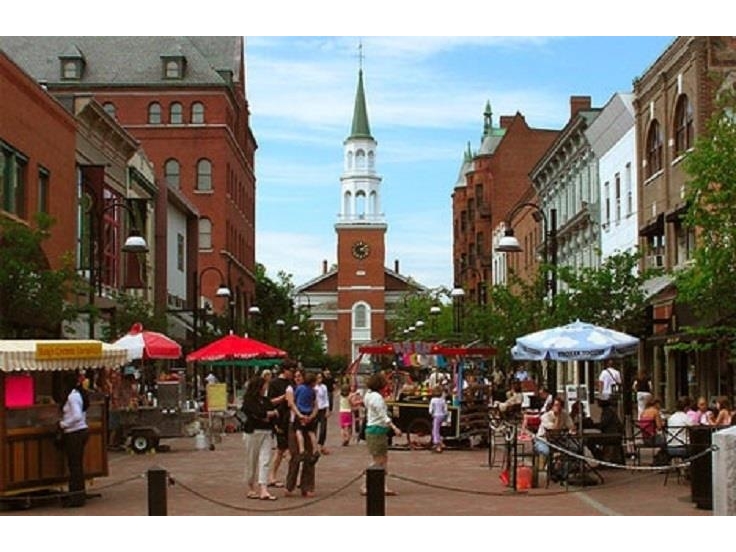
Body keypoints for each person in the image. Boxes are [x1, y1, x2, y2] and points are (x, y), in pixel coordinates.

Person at [359, 372, 403, 496]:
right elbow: (383, 416)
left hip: (375, 430)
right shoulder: (377, 398)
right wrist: (394, 428)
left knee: (382, 460)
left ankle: (382, 485)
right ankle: (365, 483)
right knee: (378, 460)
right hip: (377, 430)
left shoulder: (369, 395)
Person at [242, 375, 279, 500]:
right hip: (252, 432)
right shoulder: (249, 400)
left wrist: (268, 415)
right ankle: (250, 486)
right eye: (264, 385)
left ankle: (263, 488)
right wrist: (268, 414)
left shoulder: (266, 400)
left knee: (265, 460)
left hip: (267, 432)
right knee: (251, 460)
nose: (265, 387)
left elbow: (271, 413)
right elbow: (256, 413)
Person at [58, 371, 90, 507]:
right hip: (80, 431)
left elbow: (76, 416)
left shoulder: (72, 397)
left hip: (74, 433)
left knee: (74, 465)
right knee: (76, 465)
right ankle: (78, 494)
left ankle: (76, 497)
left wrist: (63, 424)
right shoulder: (78, 394)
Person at [285, 369, 317, 497]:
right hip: (295, 423)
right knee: (296, 456)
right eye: (295, 376)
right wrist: (300, 416)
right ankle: (290, 485)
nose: (297, 378)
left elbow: (316, 405)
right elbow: (291, 403)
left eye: (300, 376)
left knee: (309, 456)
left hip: (307, 421)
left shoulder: (311, 390)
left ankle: (307, 486)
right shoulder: (291, 389)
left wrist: (311, 417)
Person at [266, 363, 294, 488]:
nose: (292, 374)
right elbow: (270, 402)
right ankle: (273, 476)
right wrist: (284, 397)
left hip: (291, 418)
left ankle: (287, 476)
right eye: (291, 370)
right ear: (285, 370)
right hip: (280, 418)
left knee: (287, 449)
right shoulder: (274, 383)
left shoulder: (292, 382)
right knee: (281, 449)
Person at [314, 372, 331, 455]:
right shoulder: (313, 387)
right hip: (315, 410)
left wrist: (328, 409)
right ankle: (314, 446)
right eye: (318, 377)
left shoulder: (324, 387)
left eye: (321, 377)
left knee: (323, 428)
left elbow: (326, 398)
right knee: (314, 428)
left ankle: (321, 444)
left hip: (323, 408)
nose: (319, 379)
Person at [428, 386, 448, 453]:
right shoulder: (443, 400)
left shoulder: (433, 400)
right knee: (438, 429)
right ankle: (440, 442)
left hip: (436, 415)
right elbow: (445, 410)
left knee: (435, 430)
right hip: (442, 416)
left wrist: (432, 414)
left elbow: (430, 410)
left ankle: (437, 444)